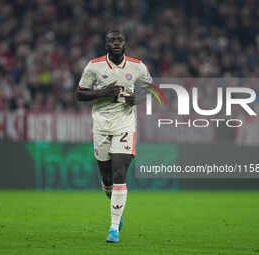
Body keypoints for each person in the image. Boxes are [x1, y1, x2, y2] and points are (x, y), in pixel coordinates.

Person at [76, 27, 152, 243]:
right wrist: (102, 92)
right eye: (112, 40)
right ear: (106, 43)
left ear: (125, 43)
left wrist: (135, 99)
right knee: (107, 178)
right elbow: (80, 94)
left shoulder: (137, 66)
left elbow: (150, 90)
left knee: (119, 174)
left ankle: (113, 228)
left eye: (119, 39)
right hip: (100, 125)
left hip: (125, 124)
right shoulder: (94, 66)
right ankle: (116, 207)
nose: (116, 42)